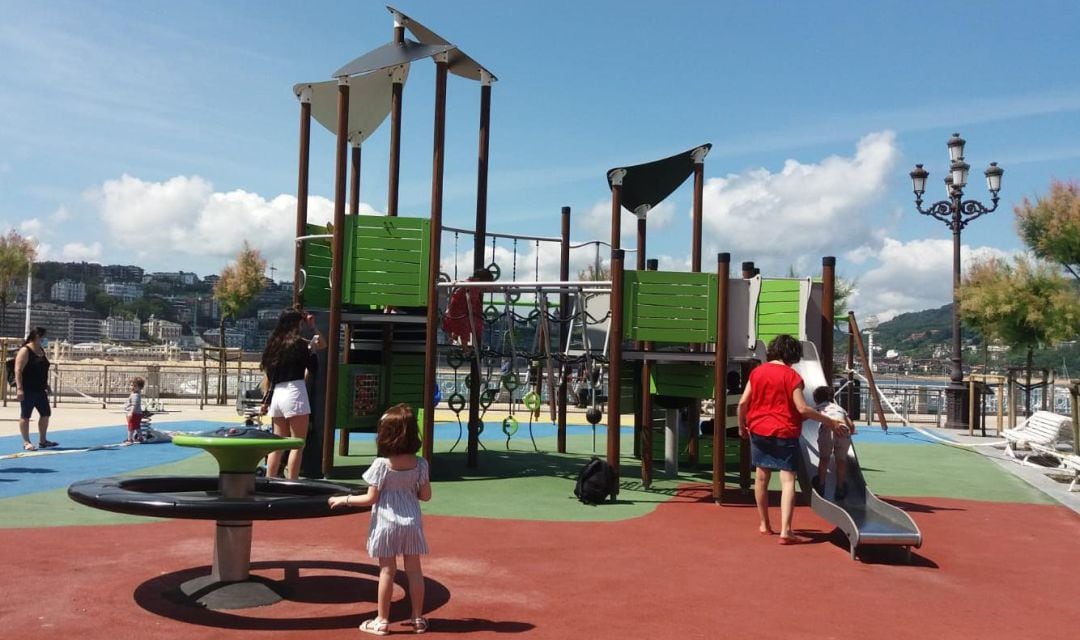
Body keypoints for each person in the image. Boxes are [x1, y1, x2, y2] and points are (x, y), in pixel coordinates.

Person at [329, 403, 432, 636]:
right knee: (414, 570)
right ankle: (417, 617)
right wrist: (409, 491)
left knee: (387, 571)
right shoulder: (420, 464)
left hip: (386, 523)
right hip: (411, 523)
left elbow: (370, 498)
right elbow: (425, 495)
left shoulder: (381, 465)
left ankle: (382, 619)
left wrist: (343, 499)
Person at [737, 334, 839, 544]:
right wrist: (829, 421)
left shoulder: (757, 372)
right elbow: (802, 408)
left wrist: (742, 426)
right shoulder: (792, 376)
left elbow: (742, 403)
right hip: (785, 431)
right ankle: (786, 530)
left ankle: (765, 524)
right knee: (788, 480)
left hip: (758, 429)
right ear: (792, 355)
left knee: (761, 477)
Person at [260, 307, 325, 479]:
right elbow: (314, 367)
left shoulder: (274, 344)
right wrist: (313, 329)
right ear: (297, 324)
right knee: (297, 444)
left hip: (278, 394)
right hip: (295, 391)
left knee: (278, 444)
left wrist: (266, 399)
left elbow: (269, 376)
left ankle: (269, 480)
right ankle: (293, 482)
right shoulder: (301, 344)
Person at [14, 327, 56, 451]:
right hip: (28, 389)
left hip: (40, 389)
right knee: (25, 415)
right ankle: (26, 441)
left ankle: (43, 440)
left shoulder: (41, 350)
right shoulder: (25, 350)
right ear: (37, 336)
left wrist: (46, 385)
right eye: (44, 337)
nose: (45, 339)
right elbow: (18, 370)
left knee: (46, 414)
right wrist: (19, 388)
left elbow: (42, 369)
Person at [812, 386, 856, 500]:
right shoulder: (839, 408)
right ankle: (840, 487)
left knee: (824, 459)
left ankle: (821, 484)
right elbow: (851, 425)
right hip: (843, 429)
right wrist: (851, 431)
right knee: (841, 461)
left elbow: (807, 415)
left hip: (827, 429)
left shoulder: (819, 407)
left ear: (817, 399)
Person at [440, 267, 494, 351]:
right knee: (472, 322)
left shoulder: (469, 282)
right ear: (483, 280)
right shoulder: (474, 287)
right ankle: (465, 348)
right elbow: (471, 302)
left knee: (468, 322)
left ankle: (455, 337)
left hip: (453, 312)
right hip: (460, 314)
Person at [124, 377, 146, 444]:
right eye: (131, 385)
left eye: (135, 386)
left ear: (139, 387)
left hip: (134, 413)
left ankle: (129, 439)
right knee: (137, 426)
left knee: (131, 426)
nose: (132, 387)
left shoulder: (135, 395)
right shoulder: (136, 394)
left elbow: (134, 405)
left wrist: (131, 412)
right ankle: (140, 438)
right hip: (137, 413)